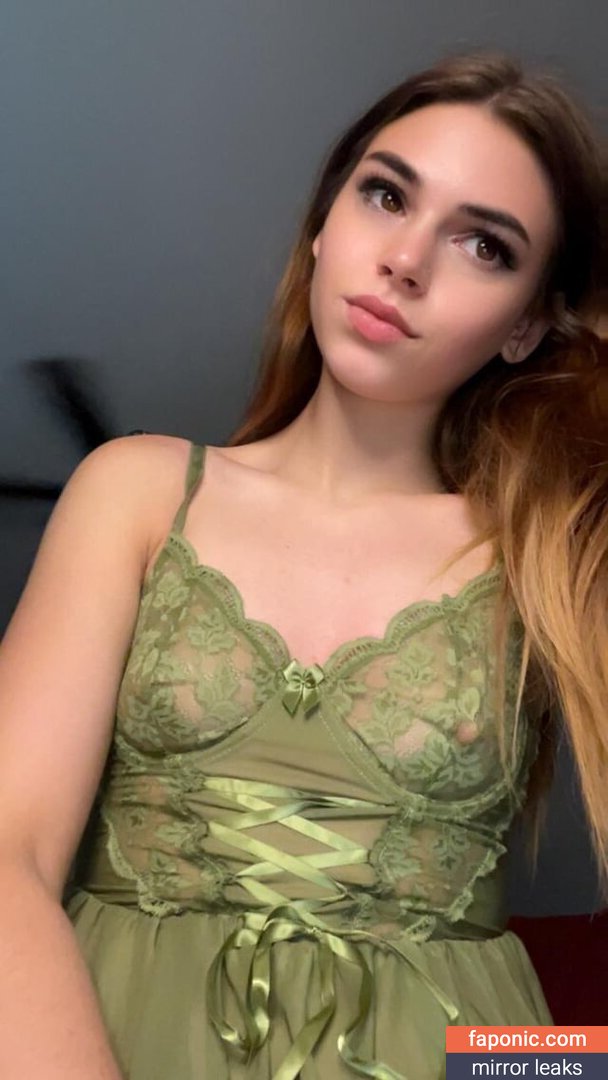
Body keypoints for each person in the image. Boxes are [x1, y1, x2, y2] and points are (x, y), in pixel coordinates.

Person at [0, 47, 606, 1080]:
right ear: (324, 224)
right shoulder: (137, 492)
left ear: (525, 326)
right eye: (386, 195)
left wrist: (556, 1064)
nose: (405, 260)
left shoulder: (552, 560)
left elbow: (542, 1052)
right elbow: (8, 853)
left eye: (483, 246)